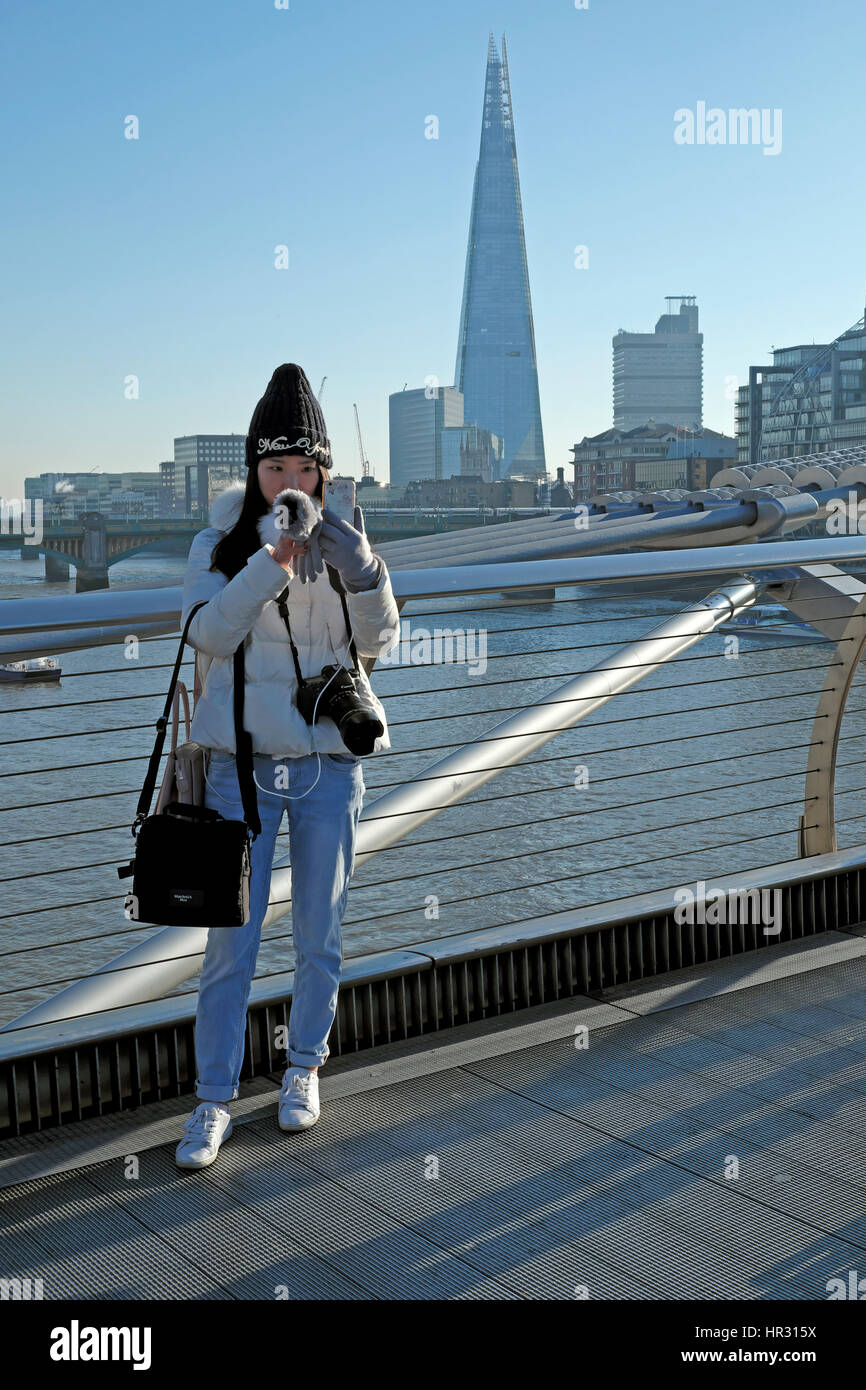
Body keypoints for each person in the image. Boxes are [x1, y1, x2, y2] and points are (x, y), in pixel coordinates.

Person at [174, 363, 400, 1170]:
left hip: (328, 767)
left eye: (306, 469)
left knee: (319, 936)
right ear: (253, 471)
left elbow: (378, 646)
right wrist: (268, 561)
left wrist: (364, 571)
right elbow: (206, 635)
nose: (292, 483)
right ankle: (212, 1102)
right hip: (242, 769)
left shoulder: (347, 536)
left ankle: (304, 1069)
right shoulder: (224, 542)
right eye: (276, 468)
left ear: (324, 472)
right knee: (228, 948)